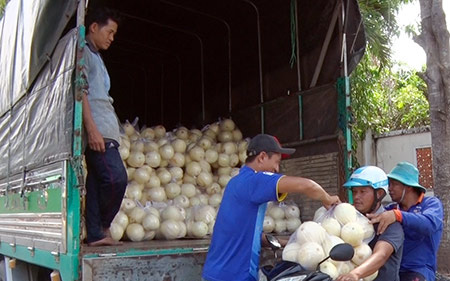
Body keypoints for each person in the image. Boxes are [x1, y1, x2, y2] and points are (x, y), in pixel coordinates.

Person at [202, 134, 341, 281]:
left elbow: (242, 231)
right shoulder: (253, 181)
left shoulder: (236, 182)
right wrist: (328, 198)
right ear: (262, 157)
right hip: (232, 277)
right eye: (276, 162)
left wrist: (283, 242)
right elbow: (306, 185)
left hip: (218, 274)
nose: (277, 168)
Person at [82, 7, 127, 246]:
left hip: (107, 130)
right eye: (109, 32)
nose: (111, 37)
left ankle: (96, 234)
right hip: (99, 131)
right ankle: (103, 226)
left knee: (97, 183)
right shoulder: (84, 53)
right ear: (94, 27)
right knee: (116, 179)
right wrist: (92, 129)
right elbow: (81, 93)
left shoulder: (97, 56)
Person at [367, 162, 444, 281]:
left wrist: (398, 216)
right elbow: (372, 217)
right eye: (389, 184)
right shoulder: (391, 209)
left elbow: (429, 224)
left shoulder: (431, 204)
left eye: (394, 184)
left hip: (418, 270)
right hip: (394, 270)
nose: (390, 189)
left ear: (408, 186)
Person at [336, 166, 404, 281]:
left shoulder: (392, 226)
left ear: (379, 194)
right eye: (354, 191)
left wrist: (355, 274)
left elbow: (381, 255)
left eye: (362, 192)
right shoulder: (350, 222)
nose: (356, 197)